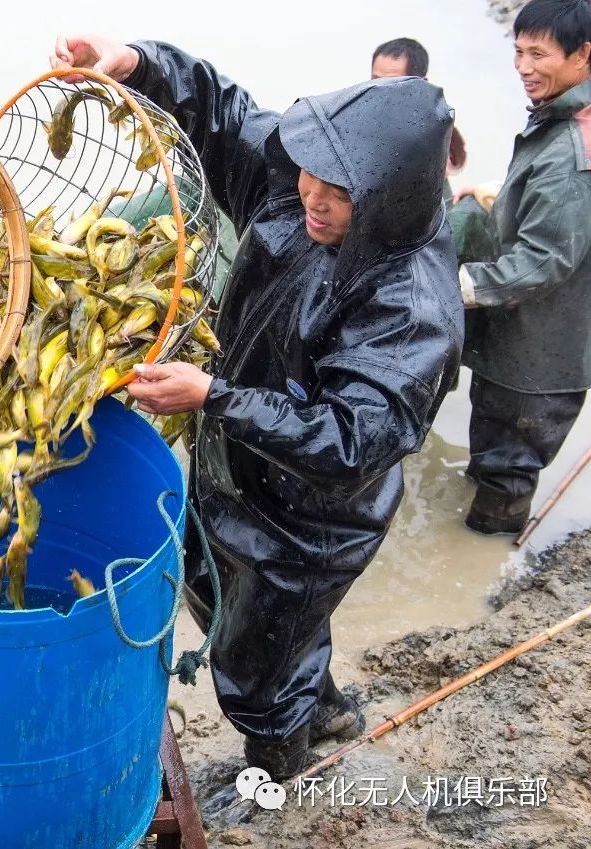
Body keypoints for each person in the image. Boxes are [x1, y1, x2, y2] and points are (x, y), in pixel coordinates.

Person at [49, 36, 462, 779]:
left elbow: (351, 441)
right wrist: (138, 65)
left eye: (339, 194)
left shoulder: (411, 303)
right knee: (218, 597)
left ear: (388, 201)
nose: (312, 196)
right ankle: (327, 706)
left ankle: (280, 767)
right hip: (232, 468)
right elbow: (222, 114)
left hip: (310, 523)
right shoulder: (299, 185)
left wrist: (213, 395)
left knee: (256, 664)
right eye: (312, 174)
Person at [452, 0, 591, 536]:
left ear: (583, 55)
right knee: (492, 449)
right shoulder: (564, 117)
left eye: (540, 54)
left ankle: (488, 550)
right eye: (517, 51)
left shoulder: (573, 156)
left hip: (540, 357)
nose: (524, 67)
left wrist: (456, 285)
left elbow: (542, 261)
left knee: (508, 469)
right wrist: (495, 196)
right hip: (523, 340)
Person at [371, 37, 469, 183]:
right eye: (375, 81)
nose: (379, 91)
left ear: (422, 85)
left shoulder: (433, 134)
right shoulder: (357, 118)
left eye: (392, 84)